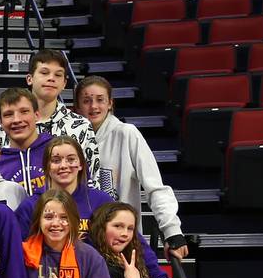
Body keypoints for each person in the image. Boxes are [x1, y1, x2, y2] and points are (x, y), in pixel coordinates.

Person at [76, 76, 188, 255]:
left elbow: (155, 188)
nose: (94, 107)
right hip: (81, 243)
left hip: (121, 244)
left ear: (110, 103)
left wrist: (172, 231)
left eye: (100, 100)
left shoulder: (128, 134)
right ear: (78, 107)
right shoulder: (71, 141)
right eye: (86, 101)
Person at [8, 50, 101, 189]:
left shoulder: (80, 126)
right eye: (44, 73)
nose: (51, 78)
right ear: (30, 79)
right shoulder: (11, 124)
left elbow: (93, 178)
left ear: (64, 83)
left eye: (58, 75)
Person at [0, 88, 53, 202]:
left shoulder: (57, 151)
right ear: (0, 122)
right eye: (8, 114)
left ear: (37, 115)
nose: (16, 119)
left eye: (24, 111)